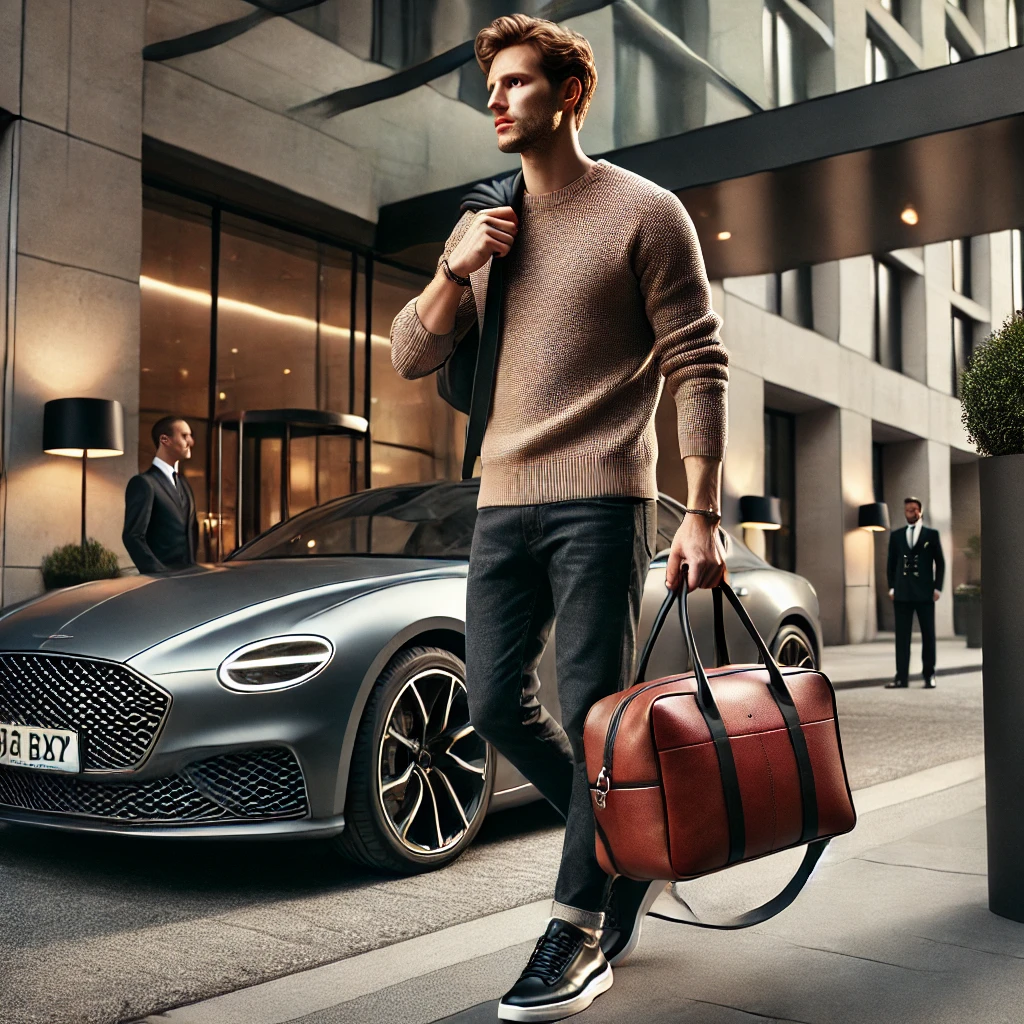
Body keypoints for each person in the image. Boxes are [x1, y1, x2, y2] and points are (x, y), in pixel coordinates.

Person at [389, 14, 728, 1021]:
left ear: (566, 95)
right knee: (494, 702)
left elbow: (696, 361)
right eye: (489, 86)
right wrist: (453, 267)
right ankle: (624, 836)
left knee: (592, 708)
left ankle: (577, 928)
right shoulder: (485, 222)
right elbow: (410, 354)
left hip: (601, 499)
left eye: (515, 83)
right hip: (498, 501)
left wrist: (701, 510)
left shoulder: (643, 211)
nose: (493, 100)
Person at [123, 416, 199, 573]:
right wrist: (158, 572)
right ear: (165, 439)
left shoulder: (184, 483)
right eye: (184, 436)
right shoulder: (144, 483)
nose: (191, 442)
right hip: (161, 583)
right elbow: (133, 536)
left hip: (189, 578)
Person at [886, 496, 945, 689]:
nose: (910, 513)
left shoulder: (931, 534)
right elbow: (891, 564)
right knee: (902, 637)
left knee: (928, 635)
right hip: (902, 593)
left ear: (920, 511)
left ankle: (929, 675)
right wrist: (892, 587)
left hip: (925, 593)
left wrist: (938, 588)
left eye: (913, 509)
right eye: (907, 510)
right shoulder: (896, 535)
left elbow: (941, 563)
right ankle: (901, 677)